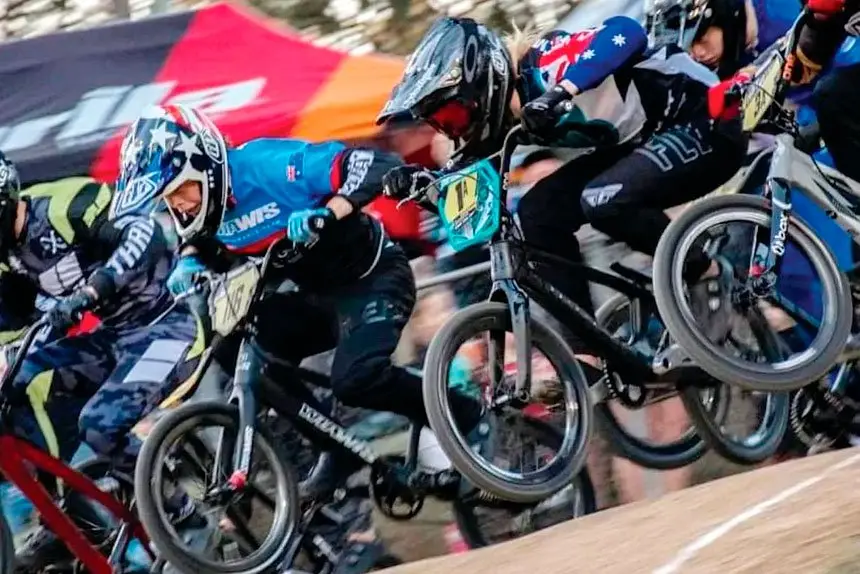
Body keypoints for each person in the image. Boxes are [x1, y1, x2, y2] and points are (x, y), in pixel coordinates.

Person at [113, 104, 487, 573]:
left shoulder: (268, 165)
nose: (181, 206)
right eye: (170, 202)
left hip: (372, 279)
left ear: (205, 164)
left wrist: (326, 214)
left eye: (182, 191)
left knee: (357, 379)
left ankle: (467, 413)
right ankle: (334, 446)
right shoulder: (205, 207)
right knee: (235, 345)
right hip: (312, 300)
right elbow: (207, 243)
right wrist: (189, 262)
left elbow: (376, 166)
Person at [377, 15, 748, 373]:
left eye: (452, 118)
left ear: (481, 85)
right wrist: (423, 184)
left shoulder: (546, 64)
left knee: (602, 198)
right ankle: (585, 353)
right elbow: (467, 190)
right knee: (538, 214)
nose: (453, 131)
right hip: (643, 143)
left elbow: (627, 31)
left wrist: (560, 92)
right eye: (442, 124)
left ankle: (705, 270)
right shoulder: (499, 124)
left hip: (704, 120)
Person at [0, 155, 209, 570]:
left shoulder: (66, 204)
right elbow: (12, 326)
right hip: (114, 339)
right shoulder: (7, 257)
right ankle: (64, 516)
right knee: (20, 380)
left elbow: (145, 233)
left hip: (168, 328)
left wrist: (90, 293)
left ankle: (182, 509)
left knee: (98, 424)